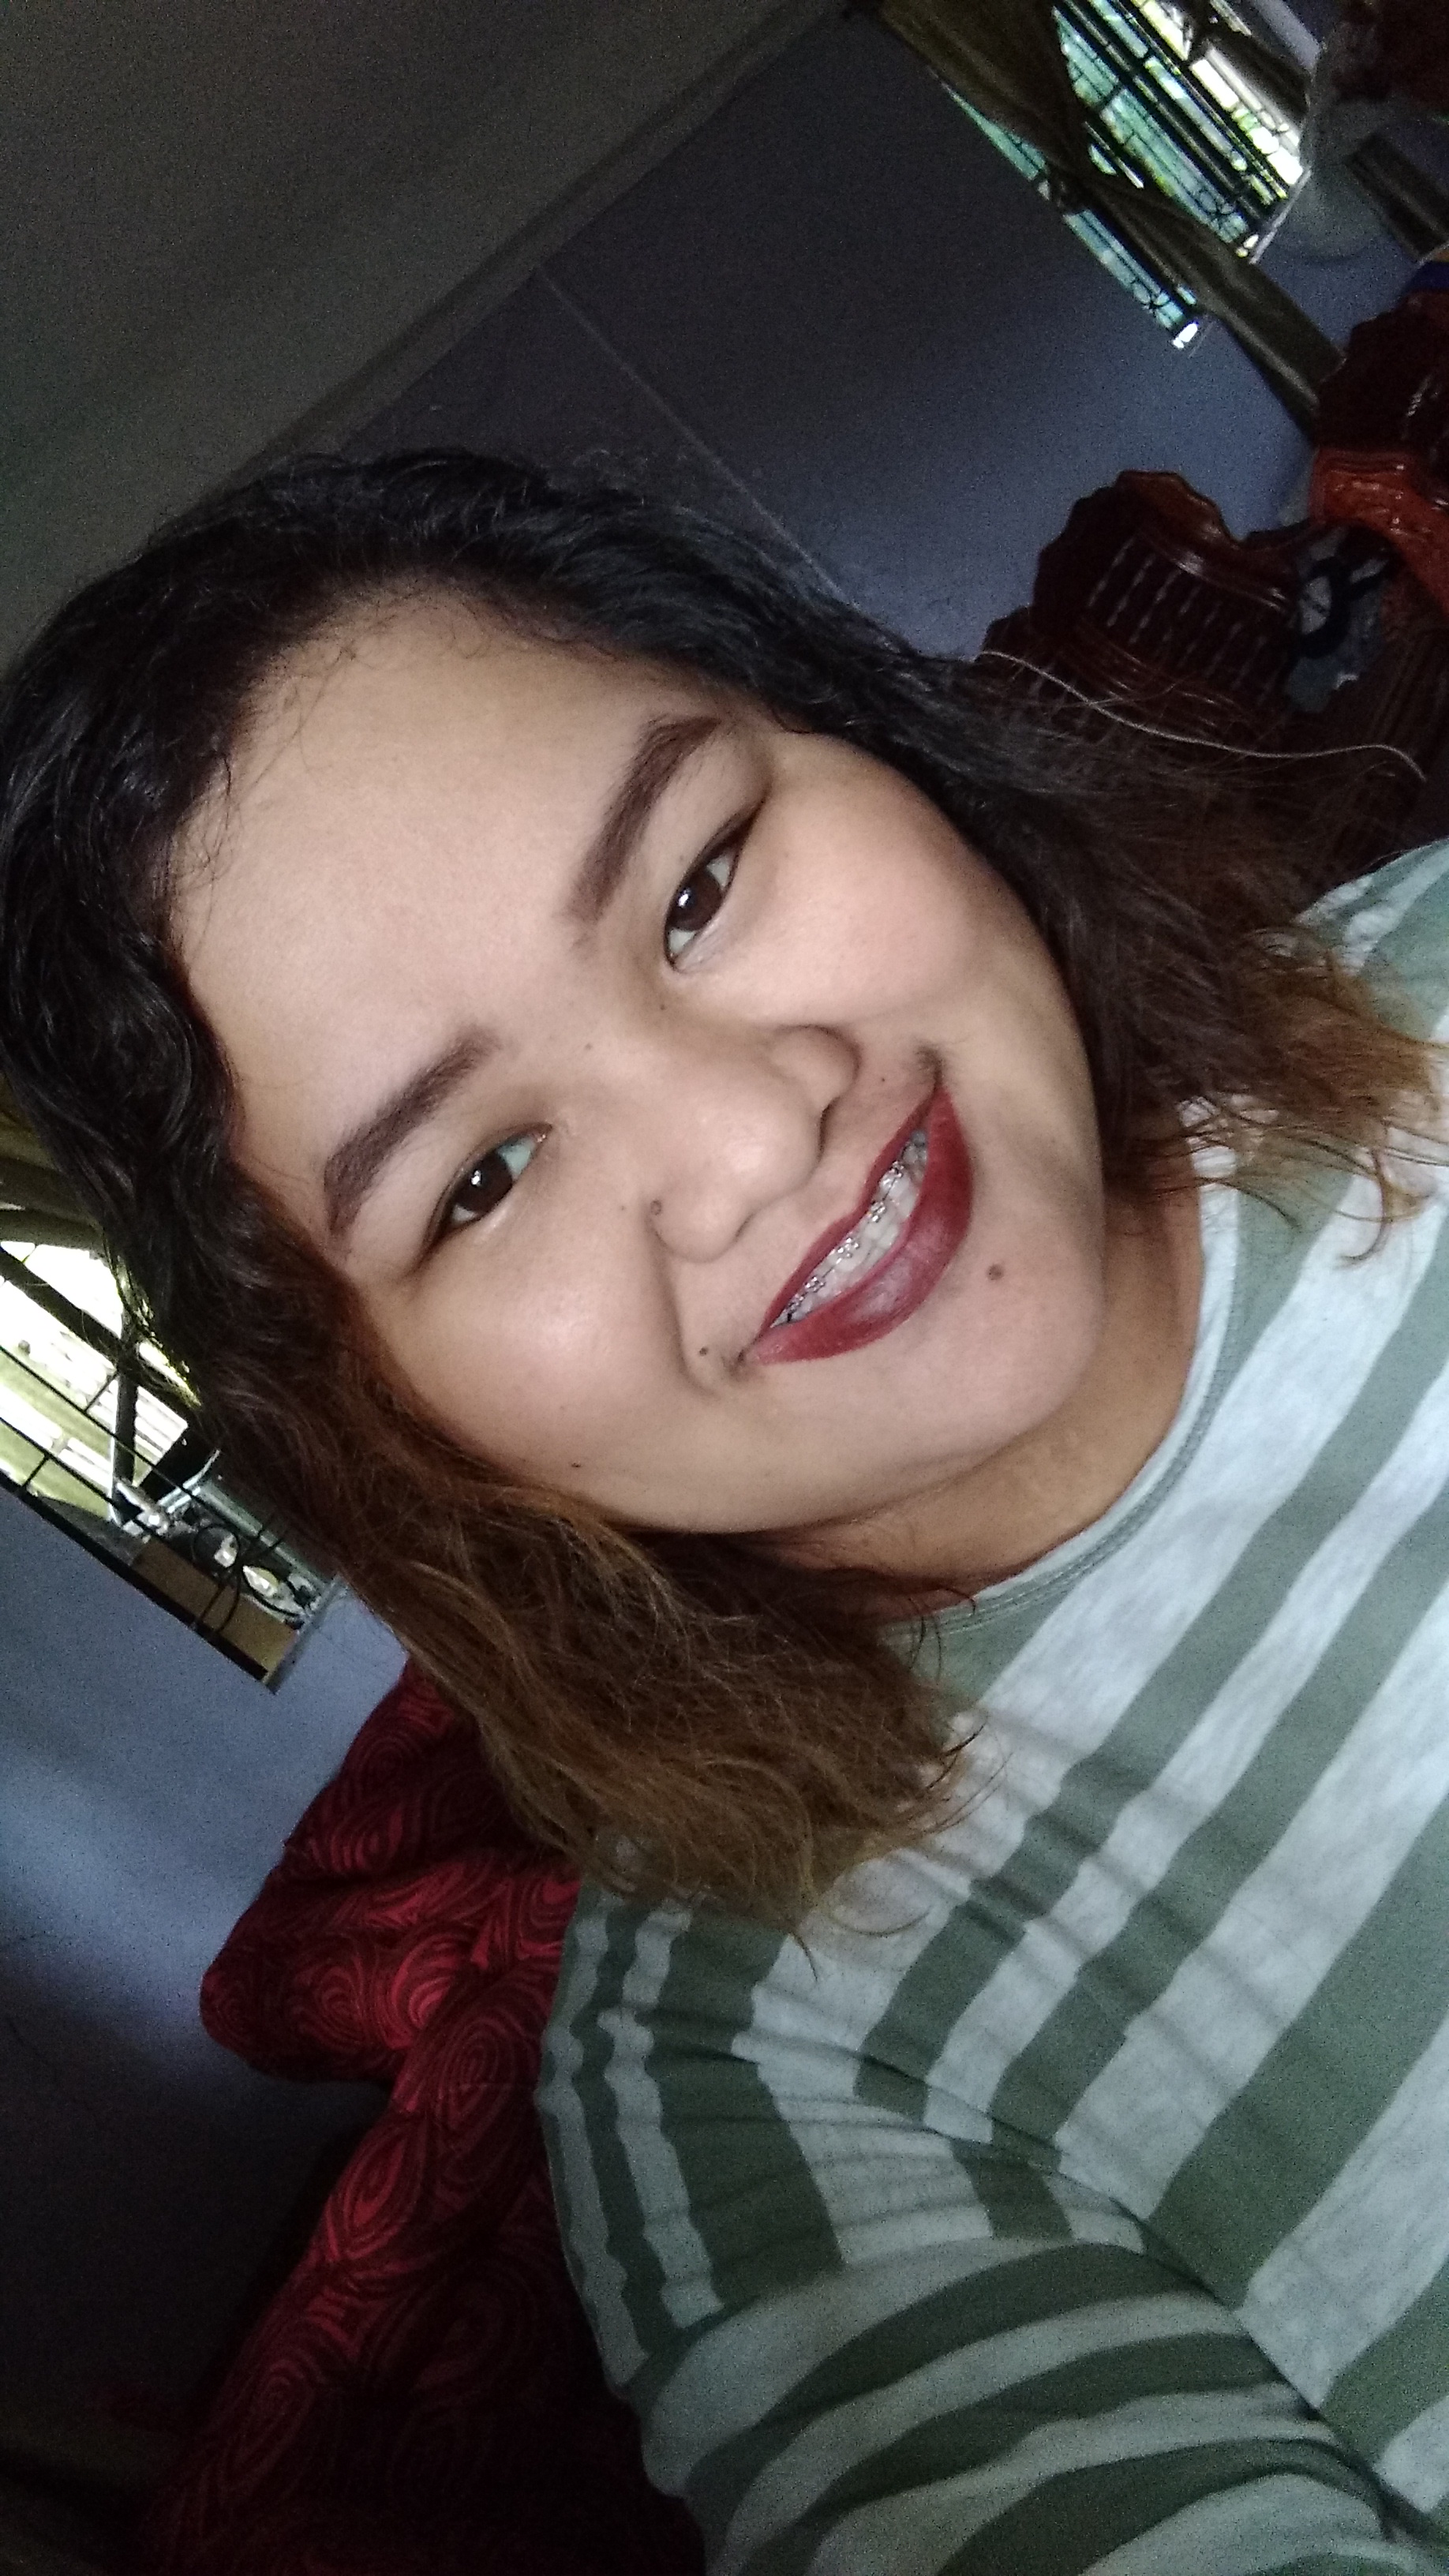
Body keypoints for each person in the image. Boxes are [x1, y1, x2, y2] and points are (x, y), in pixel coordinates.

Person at [2, 450, 1449, 2572]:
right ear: (384, 1418)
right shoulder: (763, 2104)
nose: (752, 1142)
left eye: (695, 887)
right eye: (482, 1176)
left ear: (867, 734)